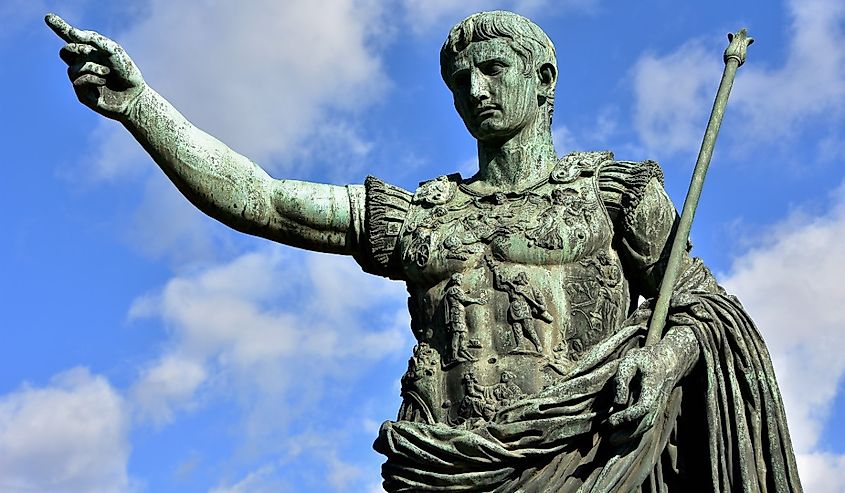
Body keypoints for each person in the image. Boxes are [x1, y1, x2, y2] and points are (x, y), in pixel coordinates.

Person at [47, 10, 802, 492]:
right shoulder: (420, 214)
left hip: (585, 459)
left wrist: (660, 359)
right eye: (457, 79)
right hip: (445, 466)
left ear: (542, 81)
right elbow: (262, 198)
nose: (472, 88)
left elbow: (703, 309)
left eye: (491, 70)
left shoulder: (610, 193)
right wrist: (140, 107)